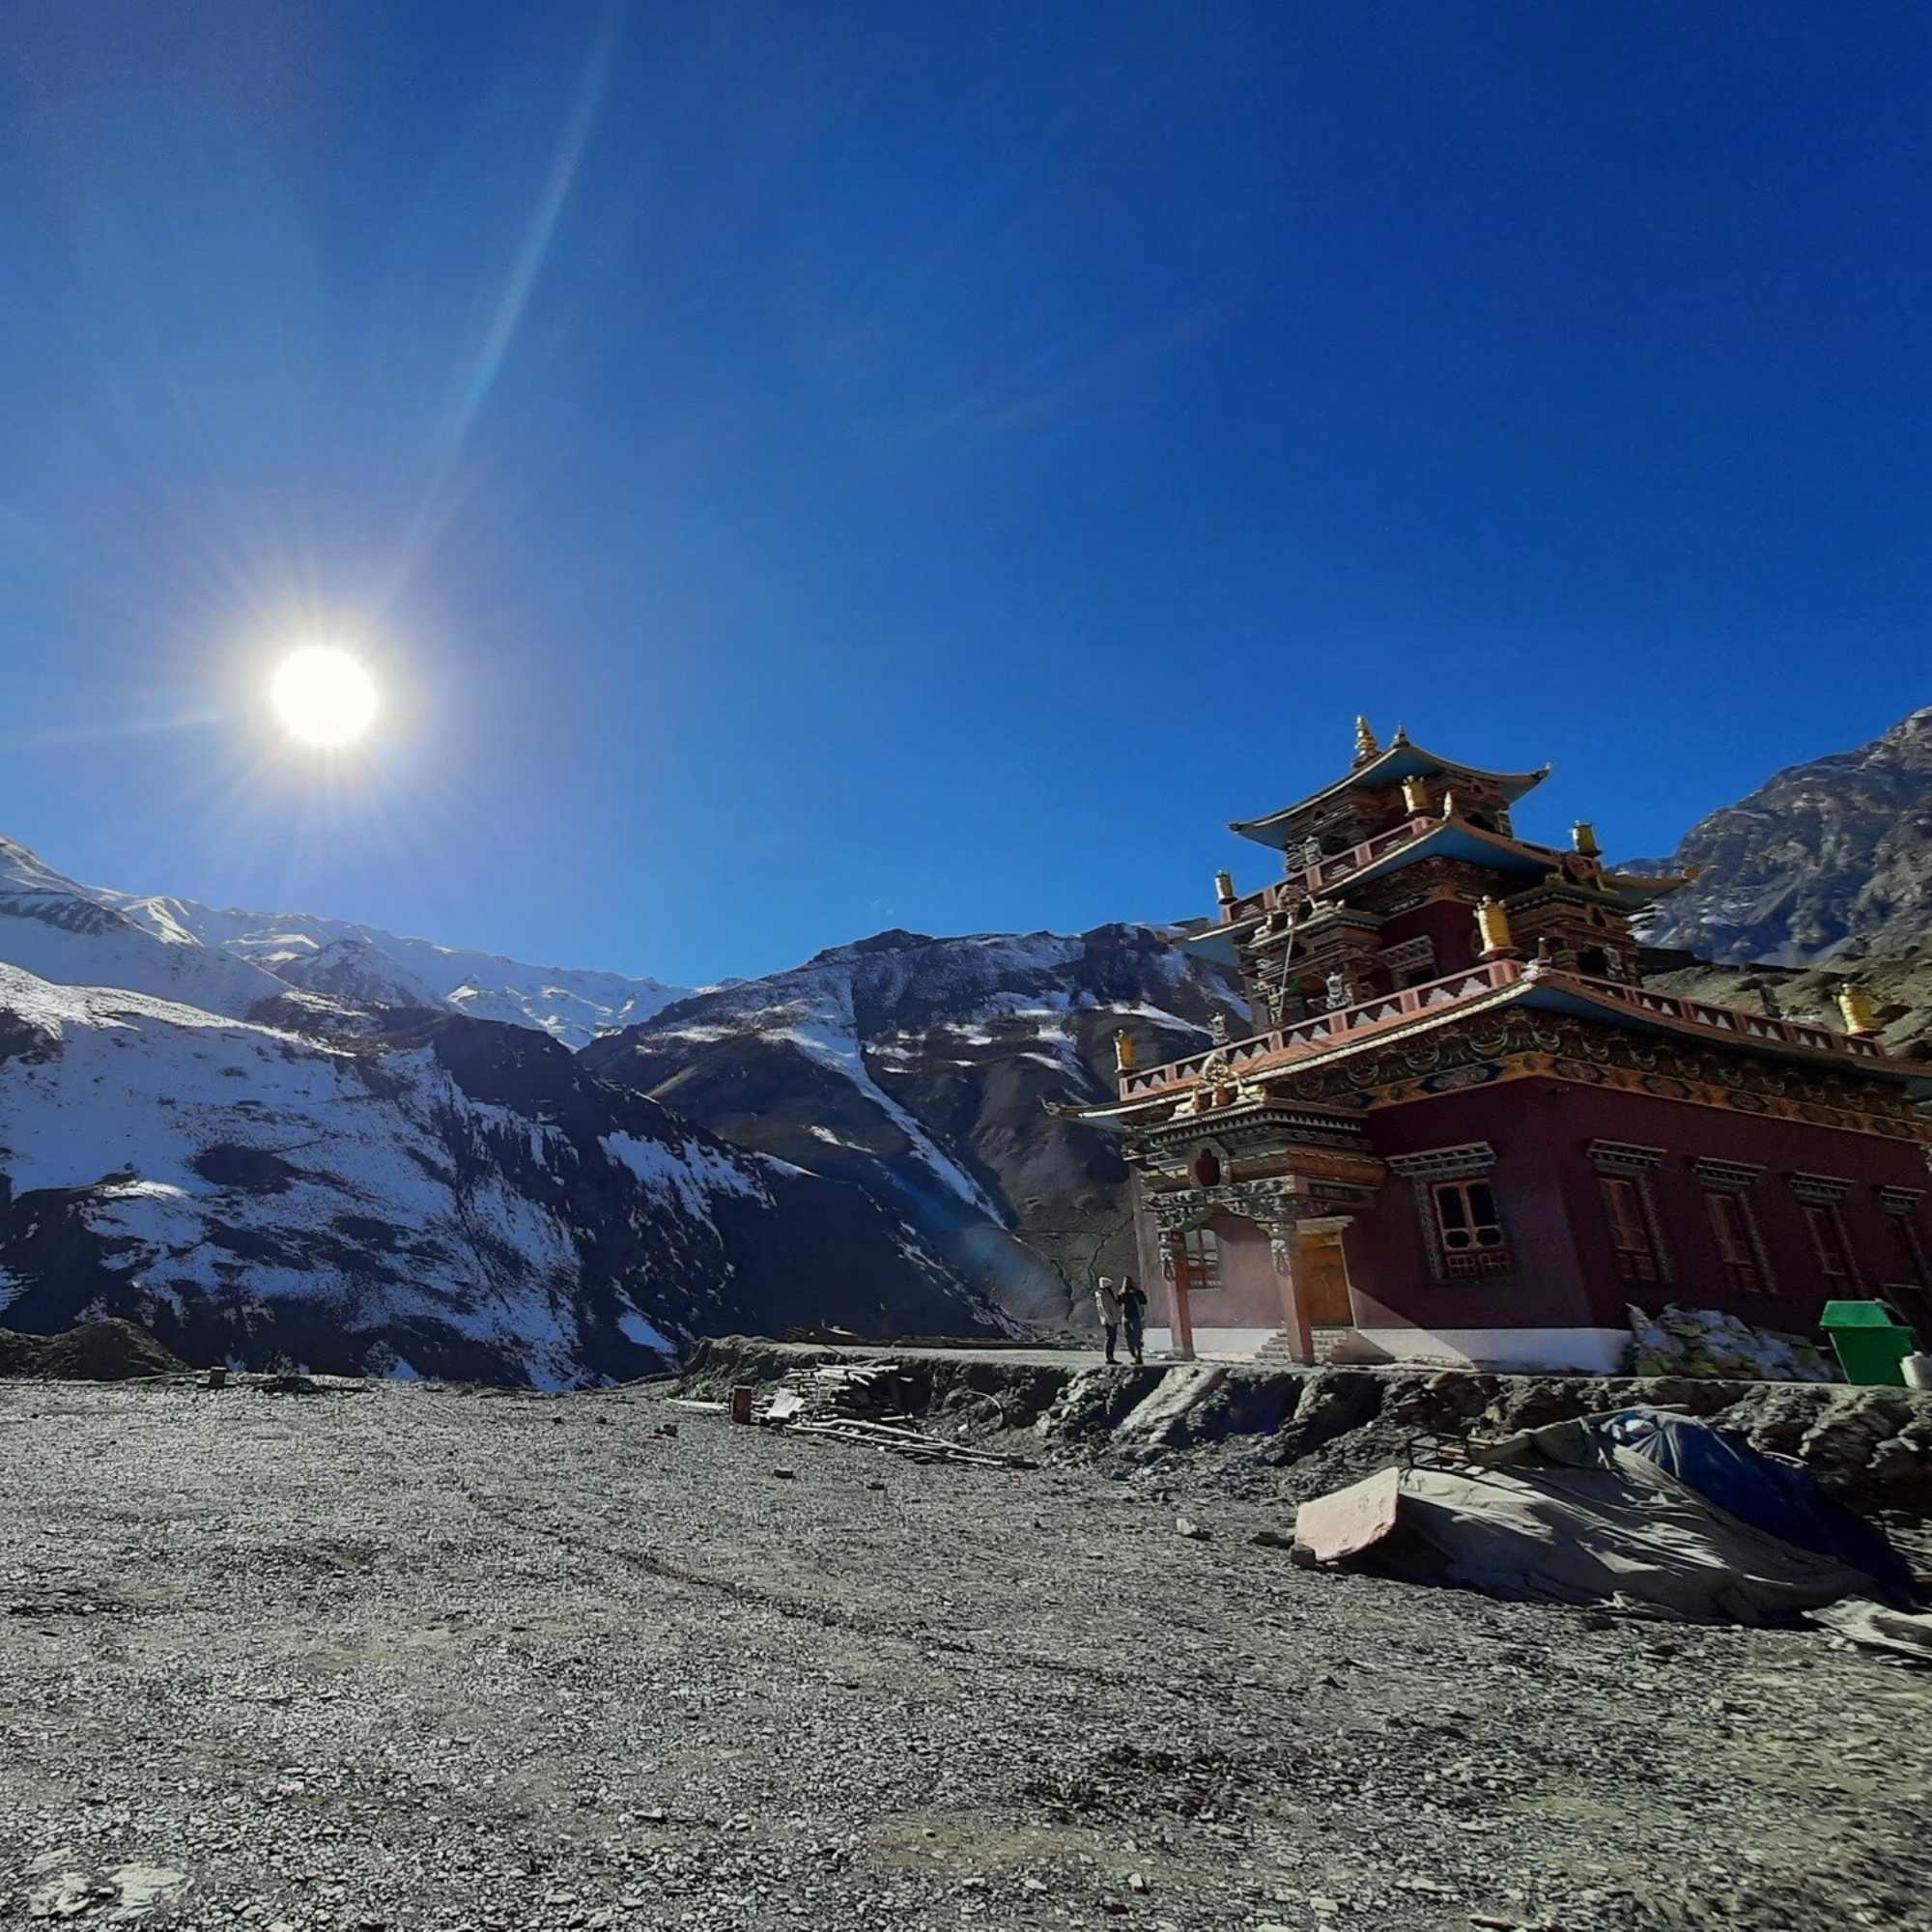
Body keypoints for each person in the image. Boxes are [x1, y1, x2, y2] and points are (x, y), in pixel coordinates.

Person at [1119, 1275, 1148, 1367]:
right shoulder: (1124, 1293)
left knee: (1133, 1337)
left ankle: (1137, 1356)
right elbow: (1144, 1301)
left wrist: (1136, 1292)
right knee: (1134, 1337)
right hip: (1131, 1316)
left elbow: (1143, 1301)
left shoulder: (1134, 1292)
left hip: (1130, 1316)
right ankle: (1136, 1355)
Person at [1094, 1275, 1122, 1364]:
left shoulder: (1103, 1293)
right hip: (1110, 1319)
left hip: (1110, 1319)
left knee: (1111, 1338)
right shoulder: (1104, 1294)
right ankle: (1109, 1357)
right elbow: (1105, 1308)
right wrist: (1110, 1319)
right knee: (1111, 1338)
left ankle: (1110, 1357)